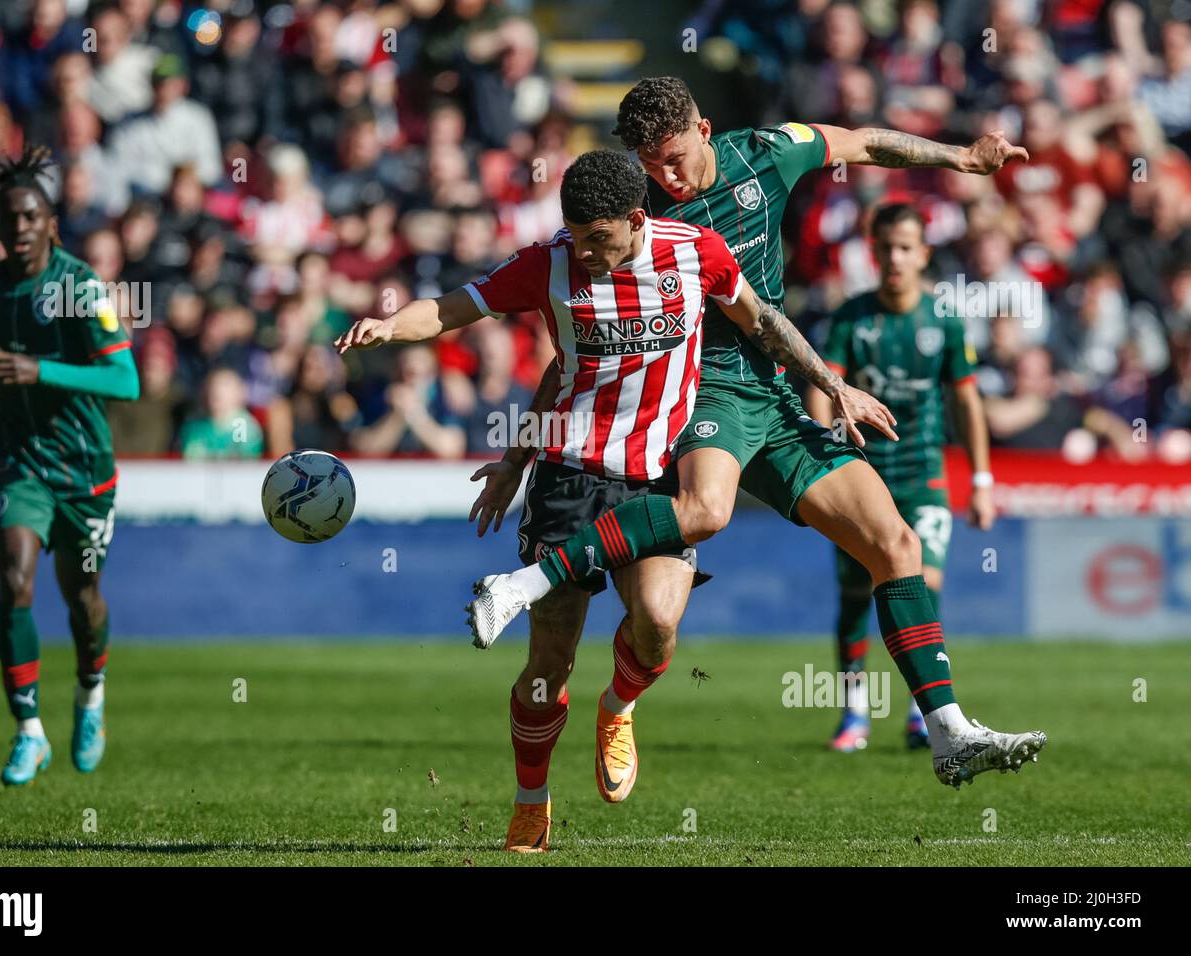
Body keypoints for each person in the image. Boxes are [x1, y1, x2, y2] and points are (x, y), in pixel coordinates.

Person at [467, 76, 1047, 790]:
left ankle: (950, 731)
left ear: (705, 131)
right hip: (699, 392)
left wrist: (960, 157)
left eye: (673, 158)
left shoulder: (769, 154)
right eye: (648, 165)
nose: (664, 178)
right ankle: (531, 586)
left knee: (896, 544)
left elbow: (860, 141)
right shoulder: (630, 221)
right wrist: (517, 453)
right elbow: (569, 355)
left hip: (773, 391)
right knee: (706, 514)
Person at [335, 148, 848, 852]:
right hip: (569, 475)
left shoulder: (697, 253)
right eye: (575, 237)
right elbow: (456, 307)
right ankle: (530, 803)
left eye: (598, 239)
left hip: (658, 474)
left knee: (659, 624)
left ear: (636, 220)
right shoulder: (549, 263)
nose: (585, 252)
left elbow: (761, 322)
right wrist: (392, 326)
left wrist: (832, 384)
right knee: (549, 662)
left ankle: (619, 707)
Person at [0, 146, 139, 786]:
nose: (22, 228)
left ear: (52, 224)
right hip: (18, 461)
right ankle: (29, 731)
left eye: (33, 216)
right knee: (16, 582)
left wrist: (39, 371)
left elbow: (125, 377)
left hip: (84, 470)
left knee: (81, 598)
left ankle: (91, 695)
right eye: (10, 219)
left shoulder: (81, 288)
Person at [808, 202, 994, 752]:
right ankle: (854, 714)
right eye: (886, 248)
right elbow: (824, 389)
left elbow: (966, 400)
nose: (895, 258)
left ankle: (922, 711)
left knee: (923, 581)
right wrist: (821, 457)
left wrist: (981, 480)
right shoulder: (851, 318)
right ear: (874, 253)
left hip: (923, 475)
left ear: (923, 254)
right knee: (853, 595)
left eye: (906, 248)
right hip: (859, 475)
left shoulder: (943, 319)